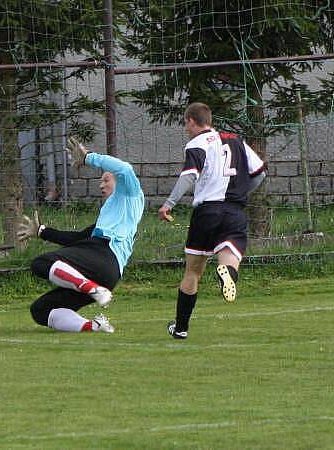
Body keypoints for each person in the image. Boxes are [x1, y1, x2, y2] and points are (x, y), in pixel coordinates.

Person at [158, 102, 266, 340]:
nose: (186, 130)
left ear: (191, 121)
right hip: (235, 211)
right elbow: (260, 173)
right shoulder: (236, 140)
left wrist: (169, 204)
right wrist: (241, 193)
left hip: (207, 211)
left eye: (186, 125)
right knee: (230, 258)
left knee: (193, 272)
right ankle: (226, 272)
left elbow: (189, 176)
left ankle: (181, 328)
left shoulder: (197, 143)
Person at [18, 137, 144, 333]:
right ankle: (94, 325)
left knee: (40, 264)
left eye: (106, 180)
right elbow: (78, 240)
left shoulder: (130, 195)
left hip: (103, 256)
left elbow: (125, 169)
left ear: (120, 182)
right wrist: (42, 231)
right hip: (107, 273)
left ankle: (90, 288)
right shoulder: (112, 215)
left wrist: (88, 158)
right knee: (41, 310)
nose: (101, 185)